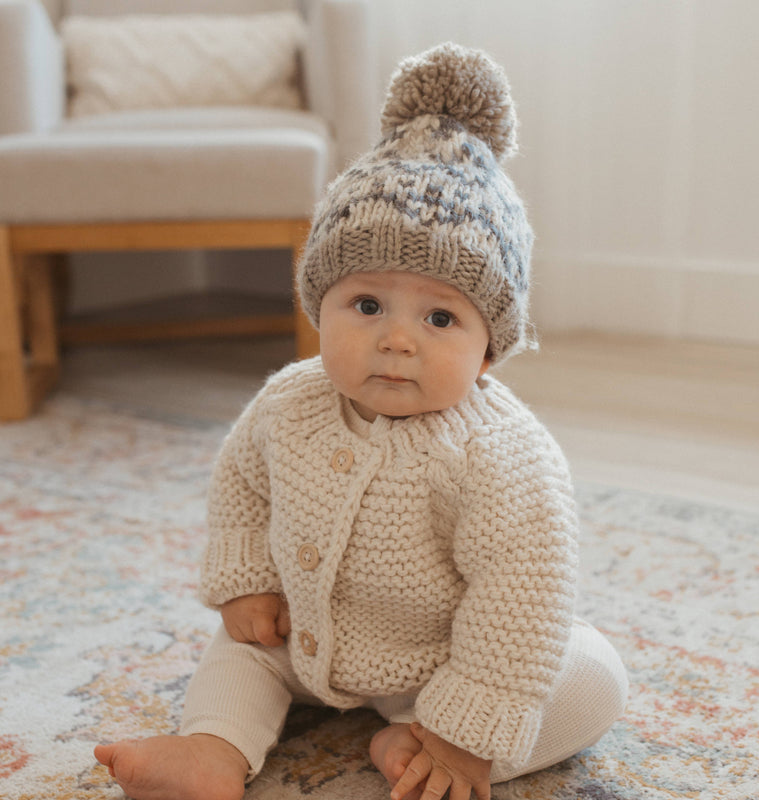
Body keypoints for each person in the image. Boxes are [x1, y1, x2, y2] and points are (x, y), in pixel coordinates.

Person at [94, 43, 628, 800]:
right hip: (302, 637)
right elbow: (244, 485)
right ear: (320, 305)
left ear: (488, 351)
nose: (397, 338)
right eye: (368, 305)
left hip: (438, 663)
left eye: (440, 316)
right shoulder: (289, 400)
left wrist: (468, 726)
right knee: (237, 653)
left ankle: (423, 744)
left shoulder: (500, 454)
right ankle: (211, 749)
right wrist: (248, 584)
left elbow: (522, 599)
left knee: (591, 677)